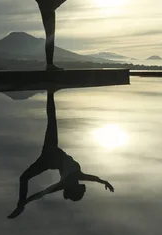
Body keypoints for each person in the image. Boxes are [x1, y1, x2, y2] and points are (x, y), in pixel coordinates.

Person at [7, 89, 114, 219]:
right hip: (47, 159)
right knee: (24, 178)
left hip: (51, 152)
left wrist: (25, 202)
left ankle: (50, 91)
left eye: (82, 192)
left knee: (52, 120)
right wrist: (104, 182)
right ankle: (50, 91)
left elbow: (43, 193)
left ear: (75, 190)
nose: (85, 190)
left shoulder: (70, 180)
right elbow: (94, 178)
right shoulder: (77, 177)